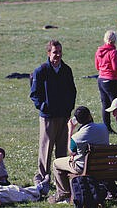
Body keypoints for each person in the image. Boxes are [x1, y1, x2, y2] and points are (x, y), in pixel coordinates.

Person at [30, 40, 77, 186]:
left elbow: (72, 91)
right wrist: (44, 107)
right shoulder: (41, 71)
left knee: (62, 149)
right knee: (46, 149)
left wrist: (69, 109)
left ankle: (61, 177)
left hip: (63, 116)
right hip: (48, 117)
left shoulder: (66, 70)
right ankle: (43, 178)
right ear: (49, 53)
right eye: (55, 52)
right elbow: (34, 94)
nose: (58, 55)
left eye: (60, 52)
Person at [48, 106, 109, 204]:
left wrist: (70, 130)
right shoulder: (104, 128)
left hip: (83, 167)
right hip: (102, 165)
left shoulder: (77, 137)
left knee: (56, 163)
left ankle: (64, 193)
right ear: (90, 115)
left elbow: (71, 152)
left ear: (78, 120)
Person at [95, 30, 117, 133]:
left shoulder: (99, 51)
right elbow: (116, 68)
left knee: (105, 104)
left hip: (101, 79)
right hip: (111, 80)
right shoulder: (113, 52)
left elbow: (97, 66)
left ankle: (107, 128)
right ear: (114, 40)